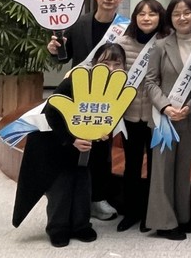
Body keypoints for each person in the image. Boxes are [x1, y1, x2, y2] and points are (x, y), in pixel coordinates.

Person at [13, 43, 128, 247]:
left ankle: (81, 225)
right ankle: (57, 228)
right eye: (105, 63)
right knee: (61, 188)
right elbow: (51, 113)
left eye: (117, 64)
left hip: (85, 150)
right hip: (58, 144)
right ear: (95, 63)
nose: (111, 68)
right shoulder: (76, 80)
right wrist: (71, 140)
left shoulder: (116, 88)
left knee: (83, 186)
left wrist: (101, 134)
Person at [46, 0, 128, 222]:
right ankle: (77, 199)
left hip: (107, 97)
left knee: (102, 149)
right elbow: (64, 55)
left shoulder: (125, 28)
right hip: (80, 95)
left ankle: (98, 198)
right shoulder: (79, 24)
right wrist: (54, 50)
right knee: (78, 146)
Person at [144, 0, 191, 240]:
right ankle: (164, 222)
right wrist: (166, 107)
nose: (182, 18)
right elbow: (150, 81)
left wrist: (190, 106)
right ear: (170, 18)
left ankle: (182, 216)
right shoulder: (160, 46)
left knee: (183, 167)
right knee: (162, 170)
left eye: (187, 12)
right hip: (163, 119)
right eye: (177, 14)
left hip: (190, 117)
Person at [115, 0, 170, 232]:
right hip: (129, 116)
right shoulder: (122, 43)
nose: (146, 18)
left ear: (160, 17)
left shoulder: (167, 42)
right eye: (141, 14)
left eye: (152, 14)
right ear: (135, 18)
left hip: (156, 116)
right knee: (132, 164)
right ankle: (131, 212)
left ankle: (151, 213)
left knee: (156, 167)